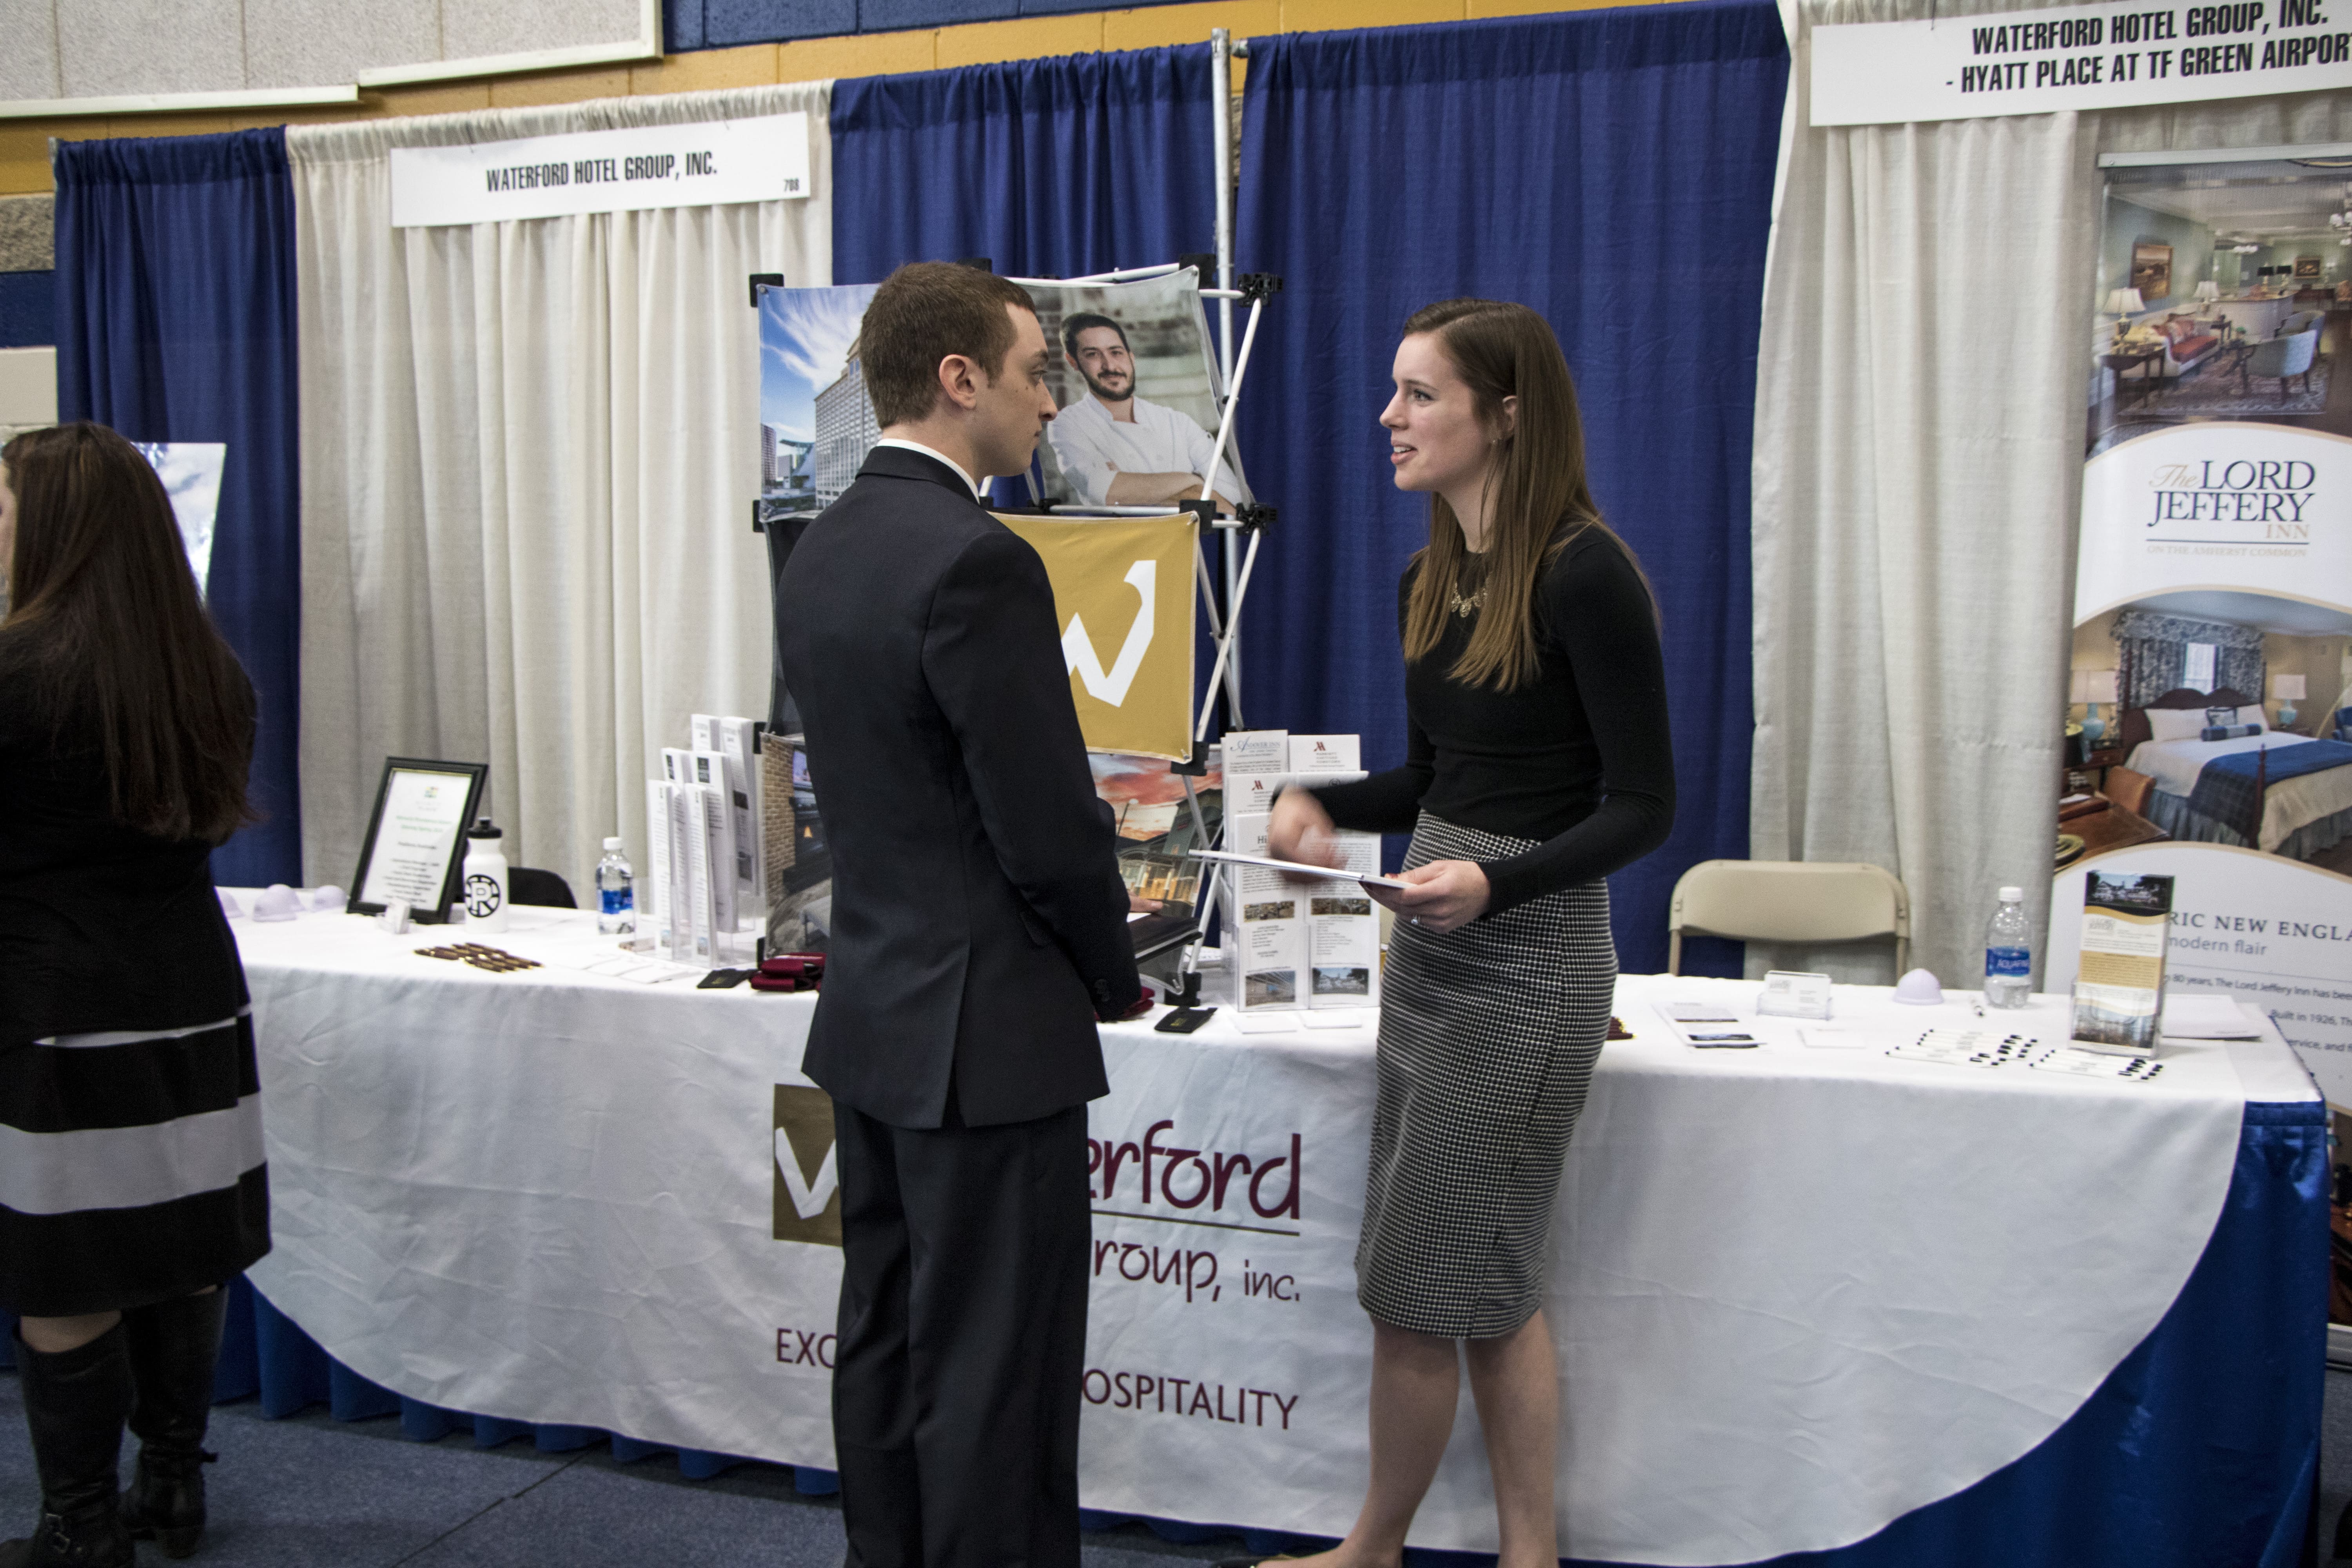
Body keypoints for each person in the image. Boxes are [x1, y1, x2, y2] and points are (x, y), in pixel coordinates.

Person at [1258, 299, 1674, 1568]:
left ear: (1504, 415)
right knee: (1480, 1287)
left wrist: (1501, 887)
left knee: (1427, 1287)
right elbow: (1438, 786)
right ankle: (1497, 1556)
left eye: (1419, 394)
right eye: (1394, 391)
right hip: (1435, 954)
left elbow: (1646, 806)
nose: (1389, 417)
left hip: (1534, 962)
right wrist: (1318, 799)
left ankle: (1388, 1548)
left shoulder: (1585, 571)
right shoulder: (1427, 578)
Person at [773, 263, 1148, 1568]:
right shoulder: (977, 559)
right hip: (990, 1034)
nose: (1053, 399)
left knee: (885, 1335)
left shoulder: (821, 547)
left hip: (874, 1020)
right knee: (999, 1367)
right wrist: (1115, 975)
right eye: (1037, 371)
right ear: (959, 379)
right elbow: (1045, 827)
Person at [0, 423, 272, 1568]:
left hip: (57, 1013)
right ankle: (170, 1483)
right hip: (192, 999)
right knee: (177, 1247)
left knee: (64, 1275)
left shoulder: (13, 678)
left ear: (54, 526)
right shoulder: (212, 674)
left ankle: (80, 1525)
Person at [1044, 313, 1241, 510]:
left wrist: (1131, 486)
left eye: (1116, 352)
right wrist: (1193, 480)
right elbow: (1109, 492)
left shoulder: (1179, 423)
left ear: (1131, 358)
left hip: (1183, 542)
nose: (1110, 366)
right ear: (1073, 362)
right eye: (1093, 355)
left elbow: (1234, 502)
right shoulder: (1067, 424)